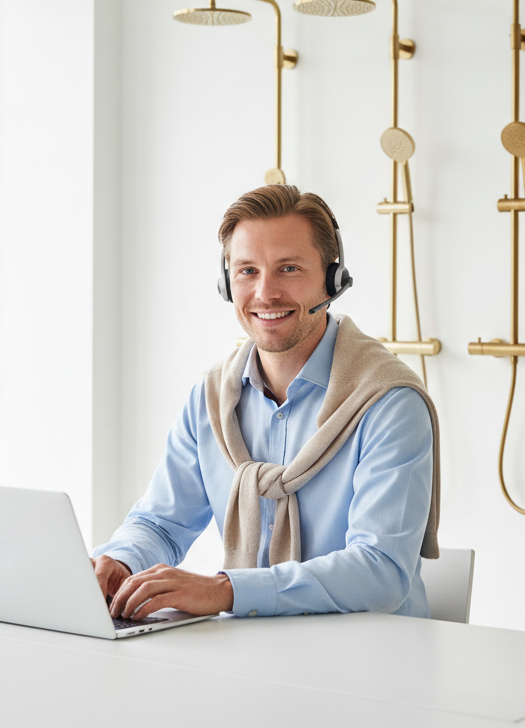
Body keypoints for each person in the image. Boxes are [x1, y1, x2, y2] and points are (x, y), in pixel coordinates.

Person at [92, 184, 440, 619]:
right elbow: (161, 522)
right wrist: (120, 560)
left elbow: (380, 571)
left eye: (289, 269)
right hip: (253, 659)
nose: (265, 293)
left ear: (333, 278)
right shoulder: (212, 400)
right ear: (226, 282)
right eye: (247, 271)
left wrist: (226, 591)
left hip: (370, 668)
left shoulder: (389, 403)